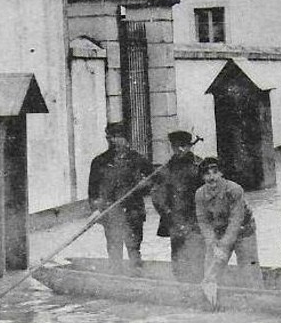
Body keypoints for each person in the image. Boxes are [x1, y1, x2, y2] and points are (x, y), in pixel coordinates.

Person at [87, 122, 153, 273]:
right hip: (111, 213)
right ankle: (116, 279)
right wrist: (95, 209)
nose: (114, 141)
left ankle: (137, 278)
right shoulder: (100, 162)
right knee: (114, 249)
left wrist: (145, 185)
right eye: (110, 137)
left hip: (133, 211)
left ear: (126, 139)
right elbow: (93, 190)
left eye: (118, 137)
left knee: (134, 248)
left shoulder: (138, 160)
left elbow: (155, 181)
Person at [194, 157, 262, 287]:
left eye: (215, 172)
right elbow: (203, 222)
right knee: (210, 271)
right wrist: (213, 245)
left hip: (244, 232)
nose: (211, 177)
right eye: (207, 174)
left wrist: (223, 246)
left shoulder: (234, 190)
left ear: (221, 173)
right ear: (202, 177)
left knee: (249, 271)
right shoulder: (200, 194)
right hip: (219, 232)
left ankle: (258, 297)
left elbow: (236, 221)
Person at [151, 130, 206, 282]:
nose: (179, 150)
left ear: (189, 146)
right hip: (175, 221)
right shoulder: (166, 170)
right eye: (175, 147)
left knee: (199, 258)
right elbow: (157, 197)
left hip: (197, 221)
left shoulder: (200, 167)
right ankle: (183, 289)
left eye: (183, 146)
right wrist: (168, 214)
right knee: (179, 259)